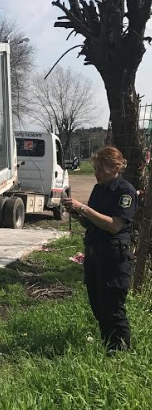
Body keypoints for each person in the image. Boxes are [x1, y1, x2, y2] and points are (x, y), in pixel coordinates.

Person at [63, 146, 137, 353]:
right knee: (98, 306)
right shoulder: (99, 189)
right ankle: (108, 348)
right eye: (95, 168)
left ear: (114, 168)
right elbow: (92, 224)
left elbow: (114, 225)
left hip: (114, 257)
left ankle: (119, 355)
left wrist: (83, 208)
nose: (96, 173)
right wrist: (78, 214)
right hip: (95, 254)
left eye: (100, 169)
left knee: (113, 309)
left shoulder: (125, 191)